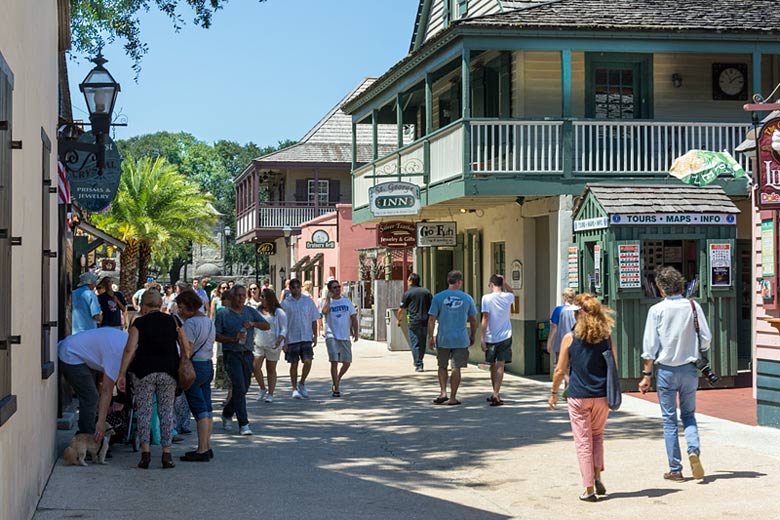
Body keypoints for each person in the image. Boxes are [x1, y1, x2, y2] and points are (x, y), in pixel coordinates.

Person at [639, 266, 711, 481]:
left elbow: (650, 346)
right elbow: (705, 339)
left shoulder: (657, 311)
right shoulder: (693, 306)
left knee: (669, 420)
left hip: (666, 371)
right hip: (690, 369)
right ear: (680, 285)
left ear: (661, 288)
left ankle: (675, 469)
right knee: (689, 415)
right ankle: (693, 450)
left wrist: (646, 375)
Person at [549, 293, 616, 502]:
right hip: (602, 395)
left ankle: (588, 489)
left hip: (579, 396)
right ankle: (597, 475)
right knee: (597, 436)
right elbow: (613, 365)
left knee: (583, 442)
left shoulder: (570, 338)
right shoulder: (607, 337)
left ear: (579, 314)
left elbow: (560, 370)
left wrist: (553, 393)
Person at [117, 289, 189, 469]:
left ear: (143, 305)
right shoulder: (173, 321)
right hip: (168, 371)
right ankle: (167, 454)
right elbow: (186, 347)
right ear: (161, 304)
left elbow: (129, 349)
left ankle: (145, 453)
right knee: (166, 411)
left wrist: (121, 373)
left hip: (143, 372)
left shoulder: (139, 323)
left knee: (145, 412)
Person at [215, 285, 269, 435]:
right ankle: (244, 424)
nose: (241, 298)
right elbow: (216, 335)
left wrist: (252, 324)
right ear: (231, 297)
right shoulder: (223, 314)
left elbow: (266, 325)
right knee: (238, 386)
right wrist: (232, 338)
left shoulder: (250, 312)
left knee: (243, 388)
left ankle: (227, 413)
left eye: (243, 296)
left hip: (247, 353)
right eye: (238, 295)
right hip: (231, 354)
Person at [58, 327, 128, 438]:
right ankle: (89, 437)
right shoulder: (117, 354)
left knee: (92, 398)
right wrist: (100, 423)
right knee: (91, 397)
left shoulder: (126, 340)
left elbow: (104, 379)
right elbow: (107, 390)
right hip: (70, 354)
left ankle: (87, 430)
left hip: (74, 348)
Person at [175, 290, 216, 462]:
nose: (179, 311)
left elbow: (187, 349)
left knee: (198, 409)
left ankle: (201, 449)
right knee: (207, 407)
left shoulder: (191, 324)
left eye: (181, 307)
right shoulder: (208, 321)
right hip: (207, 364)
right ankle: (207, 445)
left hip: (195, 366)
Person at [427, 271, 477, 406]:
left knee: (442, 365)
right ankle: (453, 397)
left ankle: (443, 392)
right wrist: (473, 335)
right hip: (460, 338)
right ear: (459, 282)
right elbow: (473, 319)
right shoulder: (467, 298)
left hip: (443, 337)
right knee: (456, 367)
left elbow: (431, 318)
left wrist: (431, 337)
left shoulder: (438, 297)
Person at [281, 278, 320, 399]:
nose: (296, 289)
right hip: (292, 337)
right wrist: (283, 341)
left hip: (306, 336)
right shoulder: (285, 304)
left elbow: (314, 318)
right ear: (290, 288)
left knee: (308, 361)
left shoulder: (308, 301)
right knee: (294, 364)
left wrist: (315, 335)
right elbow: (281, 323)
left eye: (298, 287)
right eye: (294, 287)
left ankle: (302, 382)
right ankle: (294, 388)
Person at [320, 279, 358, 397]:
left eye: (338, 287)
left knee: (347, 362)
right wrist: (328, 299)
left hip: (345, 335)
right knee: (334, 361)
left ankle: (337, 378)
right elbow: (324, 312)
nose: (337, 289)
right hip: (331, 335)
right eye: (334, 288)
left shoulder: (346, 302)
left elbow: (353, 317)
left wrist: (355, 332)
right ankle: (336, 387)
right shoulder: (326, 302)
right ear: (330, 290)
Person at [481, 274, 515, 406]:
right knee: (501, 365)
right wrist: (505, 282)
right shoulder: (507, 297)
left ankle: (495, 392)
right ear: (501, 284)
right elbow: (512, 291)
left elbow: (485, 318)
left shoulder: (486, 298)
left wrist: (482, 337)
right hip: (505, 335)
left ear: (491, 284)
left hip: (491, 336)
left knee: (492, 365)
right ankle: (496, 392)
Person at [252, 288, 287, 403]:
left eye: (263, 296)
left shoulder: (278, 312)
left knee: (270, 369)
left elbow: (284, 328)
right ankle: (262, 388)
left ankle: (271, 393)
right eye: (261, 296)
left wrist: (280, 340)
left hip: (273, 344)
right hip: (258, 342)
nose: (261, 298)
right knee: (255, 367)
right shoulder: (257, 309)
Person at [397, 273, 432, 372]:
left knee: (415, 343)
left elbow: (401, 309)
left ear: (411, 281)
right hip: (425, 321)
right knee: (422, 343)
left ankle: (418, 363)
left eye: (408, 280)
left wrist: (399, 320)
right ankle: (419, 360)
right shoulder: (426, 292)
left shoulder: (408, 293)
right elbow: (432, 307)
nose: (407, 282)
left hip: (414, 321)